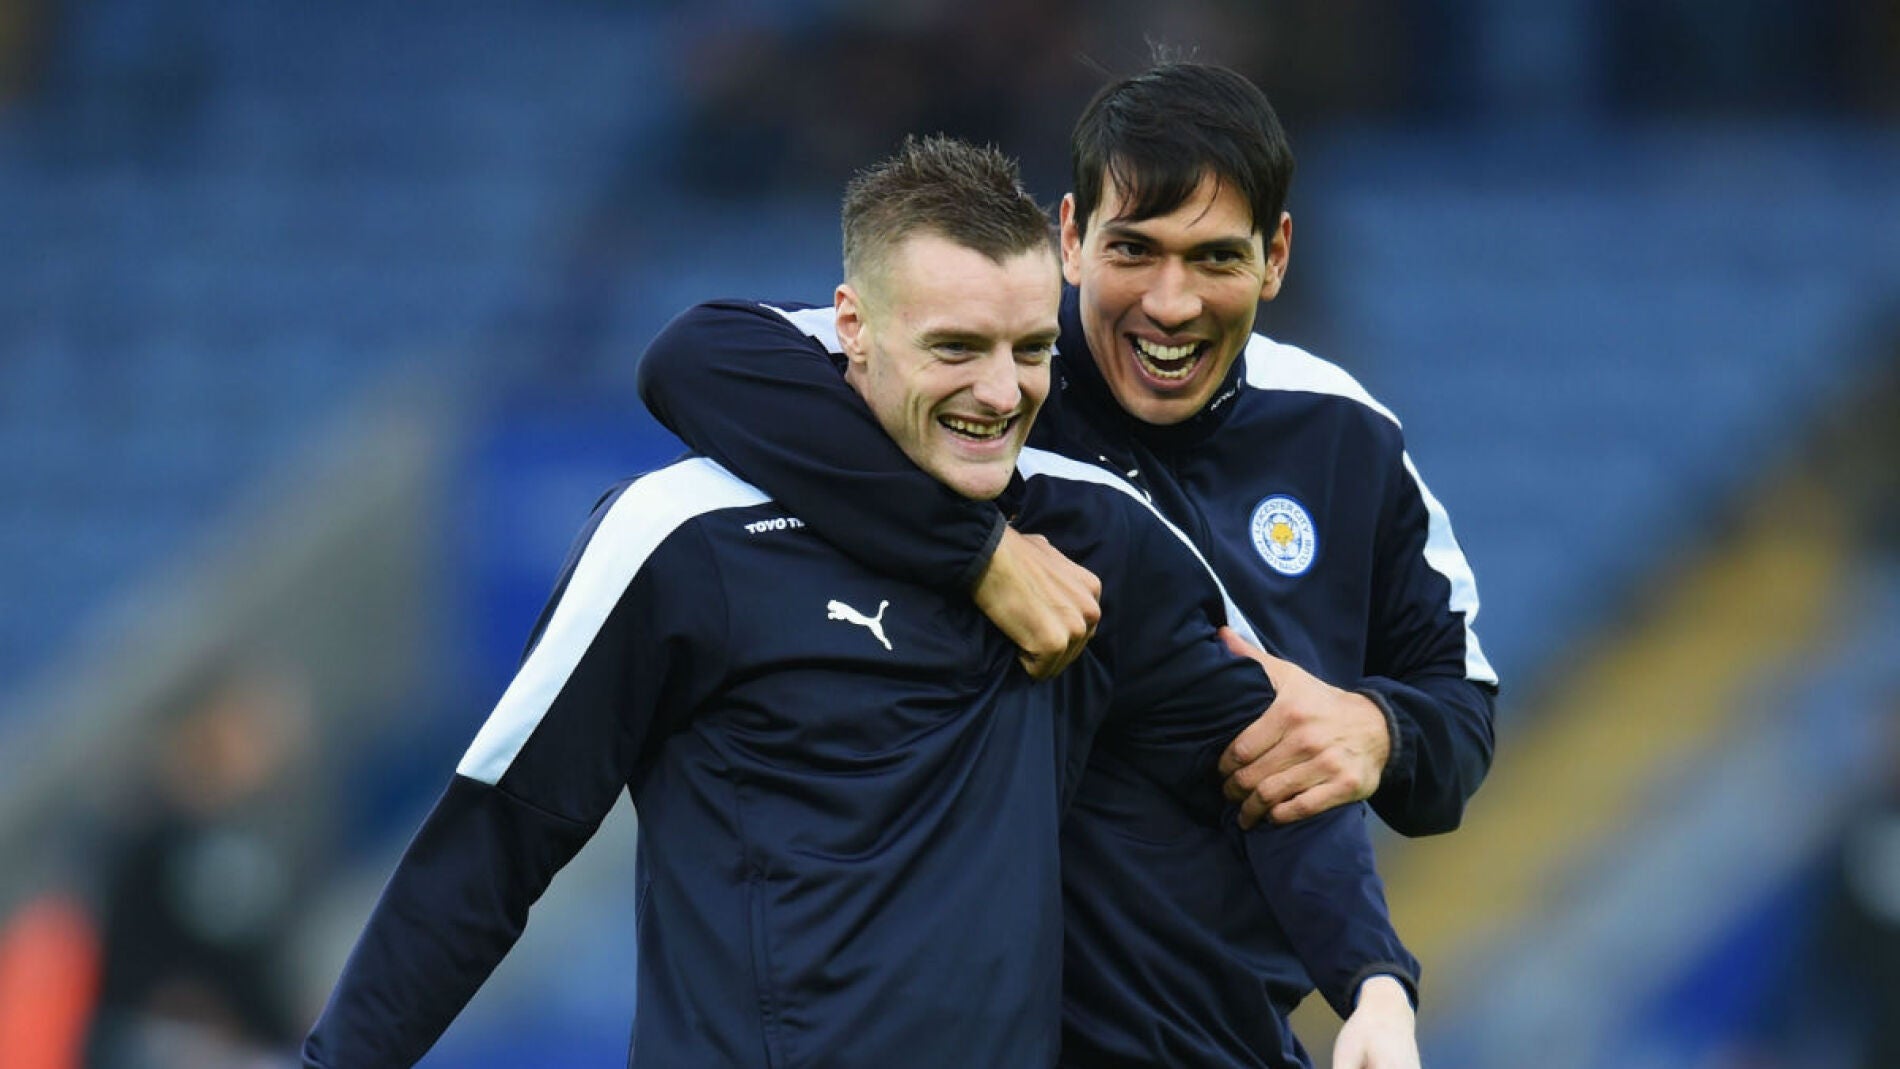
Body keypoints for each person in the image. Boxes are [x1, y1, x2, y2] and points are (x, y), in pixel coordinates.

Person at [304, 136, 1418, 1068]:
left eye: (1032, 350)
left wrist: (1371, 979)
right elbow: (495, 844)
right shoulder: (685, 538)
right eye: (956, 348)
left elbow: (1272, 761)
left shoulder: (1099, 540)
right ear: (851, 324)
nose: (1000, 390)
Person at [639, 59, 1498, 841]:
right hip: (989, 994)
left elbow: (1459, 716)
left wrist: (1382, 734)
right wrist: (979, 554)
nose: (1171, 302)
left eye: (1215, 259)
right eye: (1135, 249)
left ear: (1274, 258)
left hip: (1230, 1008)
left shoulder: (1346, 433)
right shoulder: (991, 384)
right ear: (1072, 237)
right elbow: (700, 357)